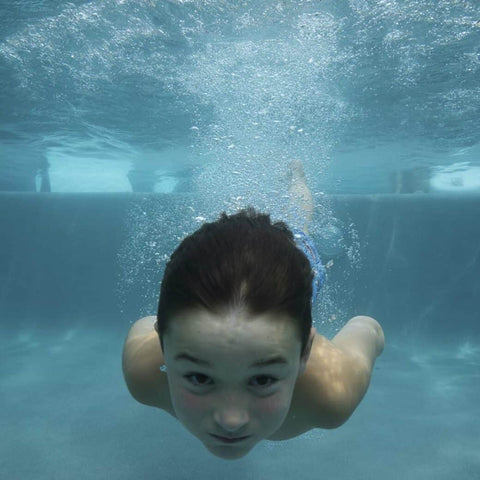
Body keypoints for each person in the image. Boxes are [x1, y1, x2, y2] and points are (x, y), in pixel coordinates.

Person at [122, 161, 385, 460]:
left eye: (262, 380)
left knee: (299, 224)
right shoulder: (142, 371)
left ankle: (296, 178)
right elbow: (151, 324)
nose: (230, 420)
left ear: (305, 353)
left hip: (297, 262)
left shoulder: (332, 393)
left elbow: (369, 328)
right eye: (198, 377)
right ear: (162, 348)